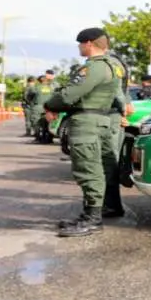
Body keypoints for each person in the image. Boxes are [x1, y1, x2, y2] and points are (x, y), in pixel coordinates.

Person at [44, 28, 123, 237]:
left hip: (87, 122)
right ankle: (110, 206)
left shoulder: (93, 68)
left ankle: (92, 219)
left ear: (88, 43)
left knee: (88, 168)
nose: (79, 47)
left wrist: (49, 105)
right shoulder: (114, 66)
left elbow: (70, 94)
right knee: (106, 166)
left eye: (80, 44)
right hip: (102, 120)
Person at [102, 52, 134, 218]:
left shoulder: (109, 62)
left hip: (109, 116)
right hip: (111, 116)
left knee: (108, 162)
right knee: (108, 161)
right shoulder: (115, 61)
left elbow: (116, 88)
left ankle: (112, 205)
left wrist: (122, 109)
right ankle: (110, 204)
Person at [33, 71, 56, 143]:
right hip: (49, 107)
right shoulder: (52, 88)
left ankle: (38, 138)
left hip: (38, 106)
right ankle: (49, 138)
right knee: (49, 123)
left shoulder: (36, 88)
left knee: (36, 123)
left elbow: (29, 96)